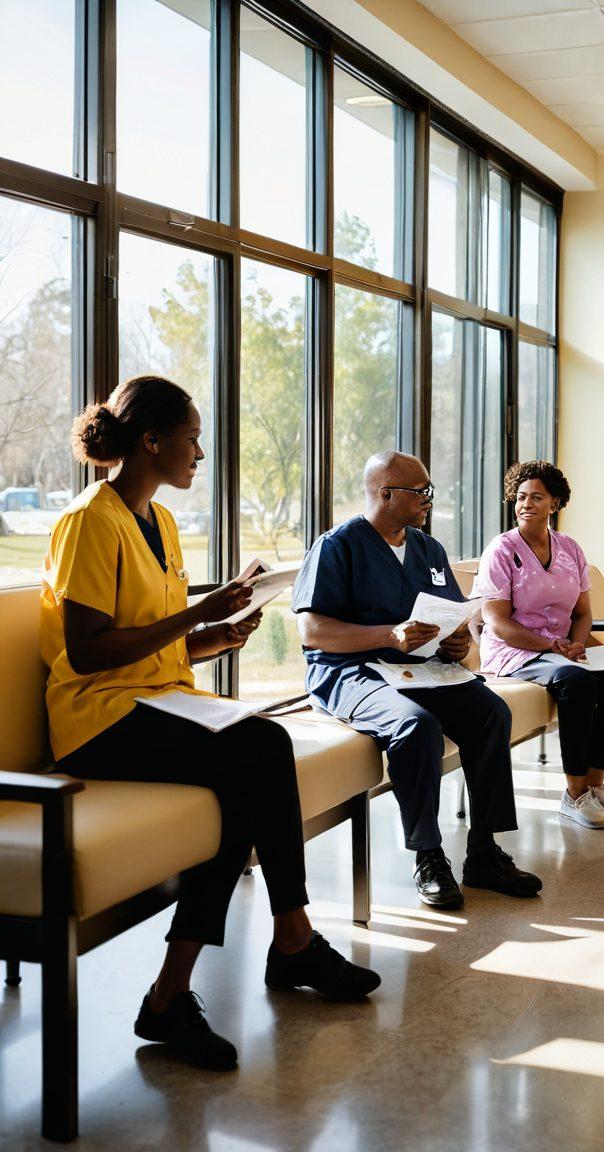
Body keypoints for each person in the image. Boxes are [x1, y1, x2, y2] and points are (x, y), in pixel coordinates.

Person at [41, 375, 380, 1072]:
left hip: (155, 697)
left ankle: (172, 994)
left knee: (245, 774)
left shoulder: (160, 522)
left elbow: (147, 639)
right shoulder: (87, 520)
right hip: (96, 719)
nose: (200, 452)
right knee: (262, 746)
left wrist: (210, 639)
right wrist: (197, 613)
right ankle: (293, 941)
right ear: (151, 441)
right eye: (192, 439)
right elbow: (87, 651)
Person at [291, 450, 542, 909]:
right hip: (351, 671)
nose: (429, 499)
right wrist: (389, 634)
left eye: (430, 491)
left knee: (490, 712)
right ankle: (427, 853)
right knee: (416, 726)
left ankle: (484, 853)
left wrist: (456, 641)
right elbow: (312, 631)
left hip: (419, 667)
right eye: (421, 492)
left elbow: (451, 616)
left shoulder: (429, 549)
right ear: (385, 494)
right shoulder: (337, 545)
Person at [474, 461, 604, 829]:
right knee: (577, 682)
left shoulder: (570, 549)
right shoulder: (501, 550)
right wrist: (553, 647)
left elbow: (582, 614)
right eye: (520, 497)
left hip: (560, 650)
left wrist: (576, 647)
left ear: (555, 503)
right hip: (515, 651)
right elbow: (497, 622)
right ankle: (574, 794)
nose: (525, 504)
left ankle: (596, 786)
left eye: (536, 497)